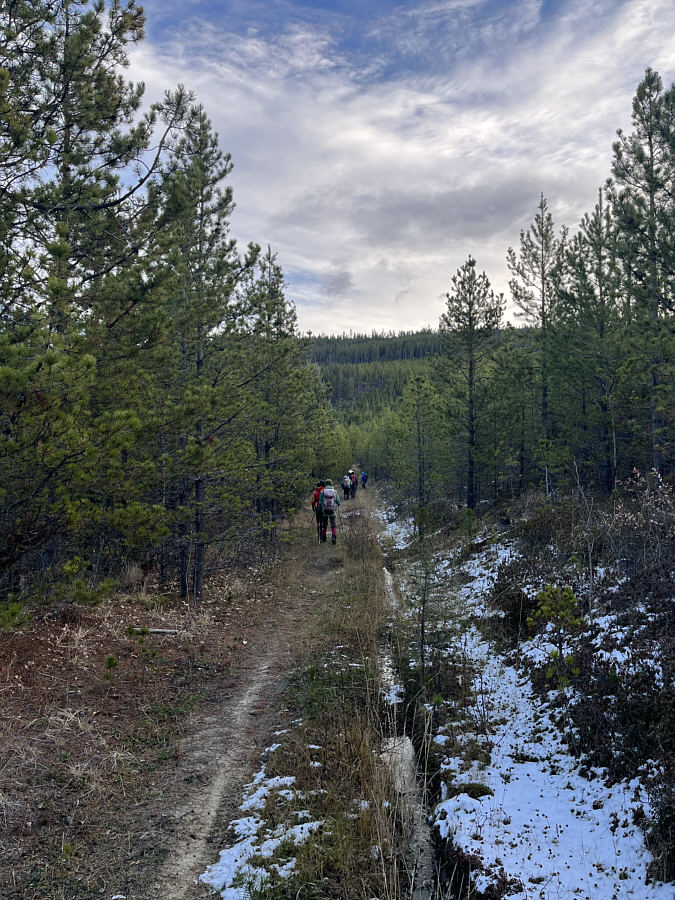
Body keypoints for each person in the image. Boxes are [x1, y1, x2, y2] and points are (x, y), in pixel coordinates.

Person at [319, 478, 340, 544]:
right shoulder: (334, 491)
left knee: (324, 524)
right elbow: (338, 501)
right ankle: (333, 537)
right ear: (331, 484)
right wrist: (337, 504)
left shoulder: (323, 491)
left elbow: (320, 501)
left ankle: (324, 538)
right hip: (332, 511)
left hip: (324, 511)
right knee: (333, 524)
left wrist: (320, 507)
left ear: (326, 484)